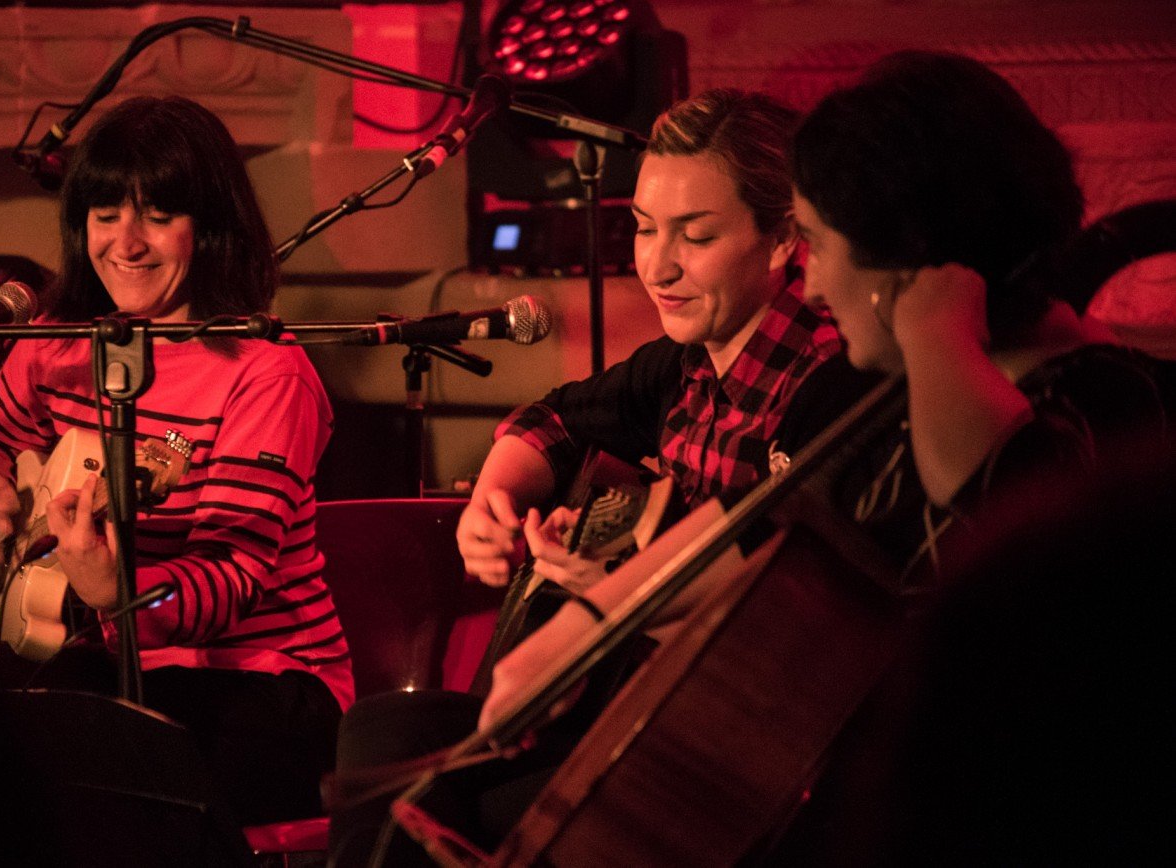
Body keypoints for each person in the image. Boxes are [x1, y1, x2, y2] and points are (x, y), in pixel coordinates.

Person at [472, 50, 1172, 865]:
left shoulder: (1104, 401)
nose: (810, 285)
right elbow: (759, 533)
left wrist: (936, 334)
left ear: (914, 263)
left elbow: (993, 492)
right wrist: (572, 639)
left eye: (819, 242)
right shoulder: (873, 401)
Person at [328, 88, 878, 865]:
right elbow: (553, 420)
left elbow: (788, 615)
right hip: (624, 705)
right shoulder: (680, 367)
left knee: (436, 805)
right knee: (382, 731)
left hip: (717, 750)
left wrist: (613, 596)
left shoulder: (829, 385)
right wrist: (496, 500)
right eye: (645, 227)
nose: (656, 264)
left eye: (696, 235)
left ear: (784, 238)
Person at [0, 95, 352, 830]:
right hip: (107, 654)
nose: (126, 244)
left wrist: (123, 594)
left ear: (212, 227)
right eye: (106, 215)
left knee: (129, 804)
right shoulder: (60, 335)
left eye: (157, 216)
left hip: (264, 678)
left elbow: (230, 576)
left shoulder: (266, 372)